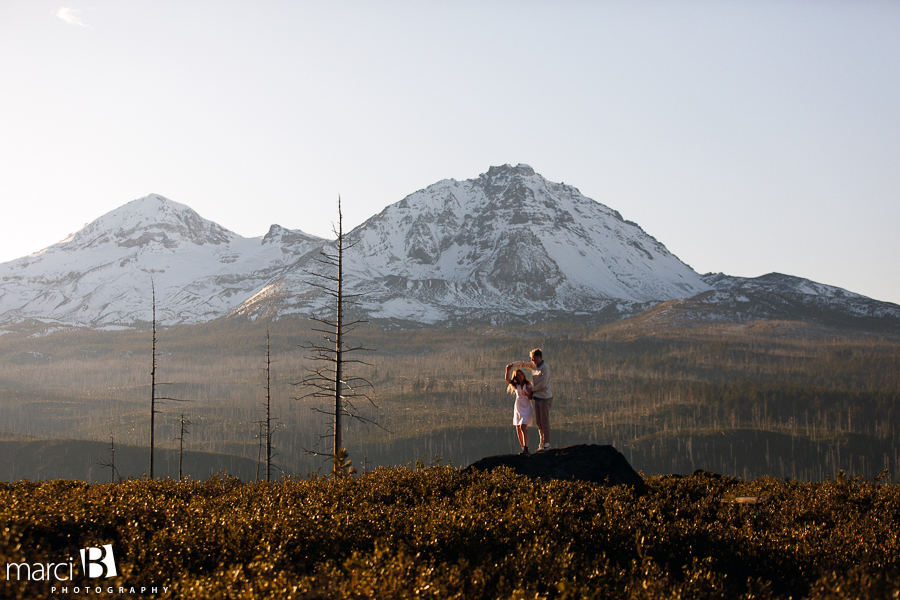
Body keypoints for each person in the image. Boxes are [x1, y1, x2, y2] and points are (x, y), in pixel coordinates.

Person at [507, 348, 553, 451]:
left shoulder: (545, 368)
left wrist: (531, 389)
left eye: (533, 358)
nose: (532, 360)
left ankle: (547, 443)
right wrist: (513, 365)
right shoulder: (534, 365)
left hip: (545, 397)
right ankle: (542, 443)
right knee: (539, 422)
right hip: (537, 397)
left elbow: (543, 384)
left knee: (544, 421)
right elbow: (523, 364)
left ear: (538, 357)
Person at [505, 366, 533, 455]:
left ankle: (526, 448)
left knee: (523, 426)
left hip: (527, 406)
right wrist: (507, 370)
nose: (520, 376)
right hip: (518, 407)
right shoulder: (516, 385)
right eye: (518, 375)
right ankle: (523, 448)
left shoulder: (528, 385)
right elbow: (507, 379)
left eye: (521, 374)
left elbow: (531, 397)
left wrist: (526, 394)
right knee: (518, 427)